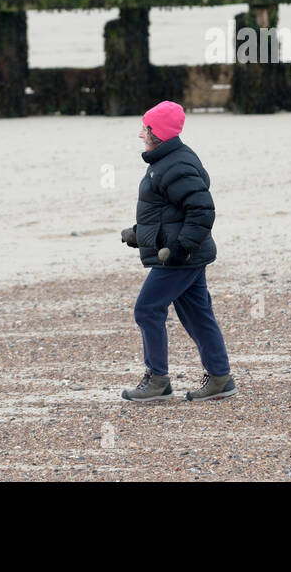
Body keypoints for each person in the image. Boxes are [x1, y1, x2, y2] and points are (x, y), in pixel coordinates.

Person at [119, 101, 236, 402]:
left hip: (180, 258)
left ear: (156, 133)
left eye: (144, 128)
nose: (140, 134)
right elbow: (167, 213)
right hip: (182, 255)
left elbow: (202, 210)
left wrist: (179, 248)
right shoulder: (167, 161)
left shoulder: (175, 164)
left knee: (147, 309)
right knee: (198, 315)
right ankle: (220, 378)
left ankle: (157, 380)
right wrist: (139, 235)